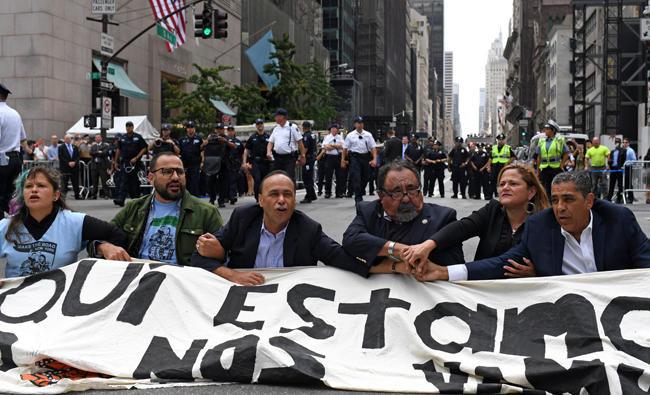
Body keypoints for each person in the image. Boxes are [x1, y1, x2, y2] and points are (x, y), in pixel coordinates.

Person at [417, 171, 650, 281]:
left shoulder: (618, 219)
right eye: (556, 200)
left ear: (589, 201)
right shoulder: (540, 225)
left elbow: (645, 266)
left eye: (568, 200)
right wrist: (443, 272)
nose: (559, 208)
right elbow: (502, 264)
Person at [191, 171, 369, 285]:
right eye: (274, 194)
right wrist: (234, 276)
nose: (282, 200)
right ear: (261, 200)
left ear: (294, 201)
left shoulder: (309, 229)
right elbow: (199, 257)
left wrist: (390, 266)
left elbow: (344, 259)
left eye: (287, 195)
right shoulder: (242, 219)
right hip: (245, 297)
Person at [402, 164, 550, 272]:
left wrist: (535, 274)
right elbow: (463, 227)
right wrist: (427, 246)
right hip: (481, 292)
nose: (505, 188)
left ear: (531, 192)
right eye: (502, 184)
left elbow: (555, 268)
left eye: (513, 184)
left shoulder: (544, 223)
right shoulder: (492, 210)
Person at [90, 152, 223, 266]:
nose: (176, 177)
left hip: (181, 283)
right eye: (167, 172)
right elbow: (96, 240)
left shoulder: (206, 212)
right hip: (138, 279)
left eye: (180, 172)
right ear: (151, 178)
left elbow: (224, 257)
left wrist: (217, 252)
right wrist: (104, 247)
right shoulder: (135, 207)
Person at [341, 160, 464, 275]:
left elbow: (454, 268)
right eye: (397, 192)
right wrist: (397, 250)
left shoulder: (443, 218)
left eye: (412, 190)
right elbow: (351, 239)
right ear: (381, 195)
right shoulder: (369, 212)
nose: (406, 198)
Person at [0, 166, 126, 277]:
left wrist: (100, 246)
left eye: (41, 185)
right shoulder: (5, 226)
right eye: (28, 186)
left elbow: (117, 235)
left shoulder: (75, 222)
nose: (34, 190)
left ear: (56, 195)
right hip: (18, 299)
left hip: (60, 299)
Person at [0, 82, 31, 217]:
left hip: (2, 159)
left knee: (1, 196)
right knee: (9, 195)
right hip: (15, 159)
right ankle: (16, 220)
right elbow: (23, 139)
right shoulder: (15, 113)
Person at [342, 116, 378, 203]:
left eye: (361, 123)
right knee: (356, 177)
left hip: (365, 157)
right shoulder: (350, 135)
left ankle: (361, 192)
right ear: (355, 124)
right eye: (358, 123)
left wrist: (375, 159)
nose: (360, 125)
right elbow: (345, 149)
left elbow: (373, 148)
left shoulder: (368, 135)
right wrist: (343, 160)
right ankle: (358, 198)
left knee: (366, 177)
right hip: (355, 158)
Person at [113, 121, 147, 207]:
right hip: (125, 162)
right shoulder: (123, 138)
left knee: (134, 181)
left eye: (130, 126)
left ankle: (135, 199)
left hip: (135, 162)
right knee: (123, 180)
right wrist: (115, 162)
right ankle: (121, 199)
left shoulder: (138, 137)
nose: (128, 128)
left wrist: (137, 157)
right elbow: (118, 150)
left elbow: (144, 148)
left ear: (133, 127)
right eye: (127, 126)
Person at [266, 108, 306, 180]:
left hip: (289, 158)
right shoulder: (276, 129)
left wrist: (302, 156)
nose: (275, 118)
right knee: (275, 177)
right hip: (277, 157)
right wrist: (268, 152)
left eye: (276, 116)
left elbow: (300, 142)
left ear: (282, 117)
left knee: (289, 177)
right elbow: (270, 142)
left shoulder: (292, 127)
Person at [202, 123, 235, 208]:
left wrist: (225, 141)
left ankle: (221, 200)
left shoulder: (226, 138)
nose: (219, 130)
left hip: (223, 163)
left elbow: (234, 146)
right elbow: (202, 147)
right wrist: (207, 141)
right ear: (215, 130)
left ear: (223, 130)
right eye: (217, 129)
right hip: (212, 164)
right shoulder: (210, 137)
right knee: (210, 181)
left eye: (220, 129)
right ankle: (212, 199)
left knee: (223, 183)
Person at [242, 118, 271, 202]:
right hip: (256, 162)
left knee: (265, 180)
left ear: (263, 125)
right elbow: (246, 150)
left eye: (261, 124)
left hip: (266, 162)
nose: (260, 126)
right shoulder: (253, 137)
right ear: (256, 126)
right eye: (258, 124)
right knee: (257, 180)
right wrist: (244, 162)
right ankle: (258, 198)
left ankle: (265, 197)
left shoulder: (268, 137)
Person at [178, 121, 203, 196]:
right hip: (185, 163)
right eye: (188, 127)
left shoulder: (199, 139)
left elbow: (202, 151)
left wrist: (202, 162)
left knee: (194, 182)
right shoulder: (182, 139)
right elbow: (179, 151)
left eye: (191, 127)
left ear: (194, 128)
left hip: (195, 163)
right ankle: (186, 198)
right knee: (186, 181)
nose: (190, 129)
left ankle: (194, 198)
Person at [489, 133, 516, 199]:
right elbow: (490, 158)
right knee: (493, 180)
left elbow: (513, 157)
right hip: (494, 166)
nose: (501, 141)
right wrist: (489, 166)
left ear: (504, 140)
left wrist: (507, 162)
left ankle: (502, 193)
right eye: (499, 140)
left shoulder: (507, 148)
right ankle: (494, 193)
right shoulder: (493, 148)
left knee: (502, 181)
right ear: (497, 140)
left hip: (503, 167)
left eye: (502, 140)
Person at [322, 123, 345, 198]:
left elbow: (343, 146)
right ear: (332, 129)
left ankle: (339, 192)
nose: (336, 130)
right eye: (335, 128)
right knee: (328, 175)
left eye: (337, 129)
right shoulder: (327, 137)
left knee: (339, 175)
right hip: (330, 157)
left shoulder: (340, 137)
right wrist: (337, 146)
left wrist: (333, 145)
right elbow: (326, 147)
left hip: (338, 157)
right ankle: (328, 192)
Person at [58, 134, 82, 200]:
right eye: (66, 139)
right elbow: (61, 157)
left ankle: (77, 195)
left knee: (75, 182)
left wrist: (75, 162)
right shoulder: (61, 147)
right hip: (65, 168)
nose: (68, 140)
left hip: (74, 168)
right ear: (65, 139)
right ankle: (63, 197)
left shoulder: (75, 147)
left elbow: (78, 156)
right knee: (64, 183)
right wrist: (68, 163)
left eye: (69, 139)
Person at [89, 134, 112, 199]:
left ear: (101, 138)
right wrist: (98, 152)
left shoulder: (105, 145)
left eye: (98, 137)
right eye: (96, 138)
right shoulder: (93, 146)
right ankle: (94, 195)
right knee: (94, 181)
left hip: (102, 166)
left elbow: (104, 153)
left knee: (104, 181)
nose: (97, 139)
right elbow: (91, 153)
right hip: (94, 166)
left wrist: (96, 153)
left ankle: (106, 194)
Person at [300, 121, 318, 203]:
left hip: (307, 159)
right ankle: (312, 194)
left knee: (306, 177)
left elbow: (305, 148)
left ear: (304, 127)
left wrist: (301, 157)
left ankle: (309, 196)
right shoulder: (312, 135)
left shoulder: (306, 136)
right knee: (309, 177)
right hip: (311, 158)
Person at [226, 124, 244, 205]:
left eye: (231, 130)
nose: (230, 132)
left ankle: (233, 196)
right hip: (226, 163)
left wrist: (243, 163)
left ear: (234, 131)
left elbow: (243, 153)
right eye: (229, 131)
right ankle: (226, 196)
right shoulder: (224, 141)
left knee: (234, 180)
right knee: (226, 181)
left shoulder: (238, 142)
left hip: (235, 164)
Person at [607, 138, 626, 203]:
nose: (616, 143)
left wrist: (622, 167)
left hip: (619, 170)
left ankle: (619, 199)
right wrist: (609, 162)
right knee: (611, 185)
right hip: (613, 170)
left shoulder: (623, 151)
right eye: (616, 142)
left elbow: (624, 159)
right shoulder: (612, 151)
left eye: (618, 142)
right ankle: (609, 198)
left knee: (620, 185)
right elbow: (609, 160)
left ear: (620, 143)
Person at [622, 137, 637, 203]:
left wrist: (627, 164)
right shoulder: (622, 150)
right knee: (623, 183)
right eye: (623, 142)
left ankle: (630, 198)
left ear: (628, 143)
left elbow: (634, 160)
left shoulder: (630, 150)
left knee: (629, 183)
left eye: (626, 142)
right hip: (622, 168)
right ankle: (623, 197)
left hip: (628, 168)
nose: (624, 144)